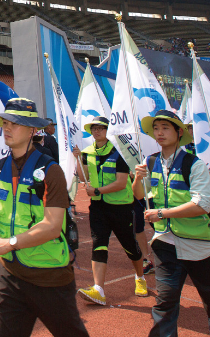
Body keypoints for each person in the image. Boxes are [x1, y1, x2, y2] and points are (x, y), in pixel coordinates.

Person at [0, 98, 90, 337]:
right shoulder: (1, 167)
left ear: (33, 130)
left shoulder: (51, 171)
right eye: (5, 123)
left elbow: (53, 227)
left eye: (16, 123)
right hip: (9, 274)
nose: (8, 128)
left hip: (49, 276)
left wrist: (9, 243)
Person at [132, 110, 210, 337]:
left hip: (200, 246)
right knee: (164, 304)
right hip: (165, 243)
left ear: (179, 133)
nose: (159, 133)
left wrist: (163, 213)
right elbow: (139, 196)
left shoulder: (194, 164)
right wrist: (138, 178)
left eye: (165, 128)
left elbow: (202, 205)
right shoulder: (150, 161)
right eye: (156, 128)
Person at [76, 116, 148, 306]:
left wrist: (97, 190)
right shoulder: (88, 151)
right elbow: (82, 174)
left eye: (101, 128)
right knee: (99, 244)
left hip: (121, 207)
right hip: (98, 207)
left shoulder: (119, 152)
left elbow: (121, 182)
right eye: (94, 128)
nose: (97, 131)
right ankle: (98, 289)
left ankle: (140, 277)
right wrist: (76, 157)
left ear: (108, 130)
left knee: (130, 246)